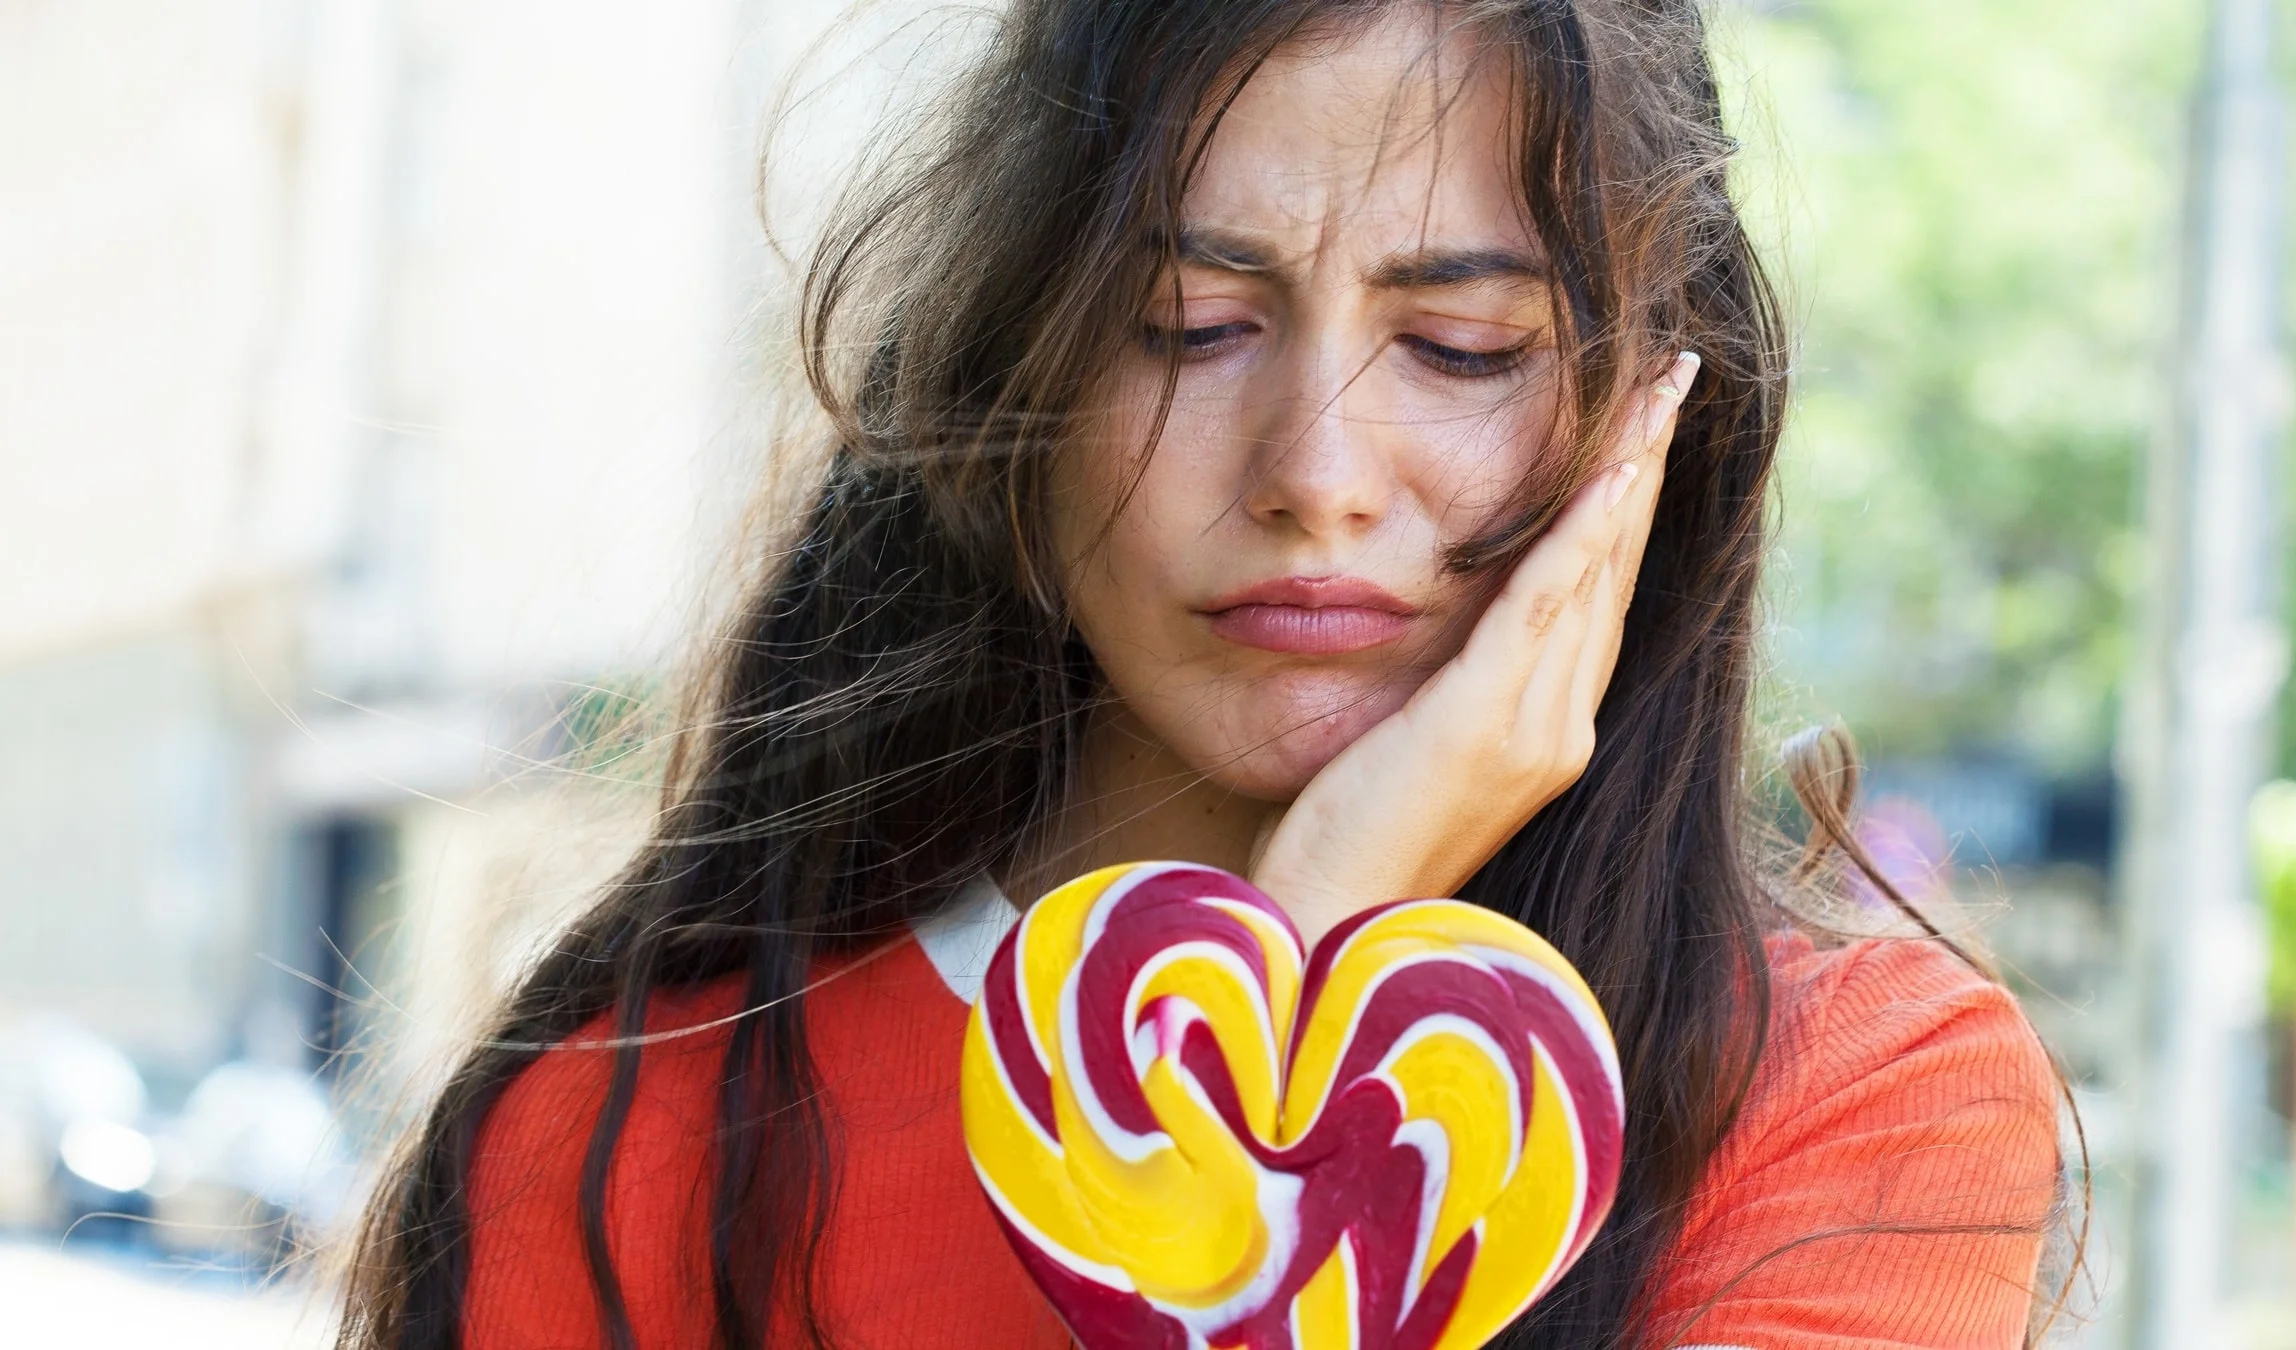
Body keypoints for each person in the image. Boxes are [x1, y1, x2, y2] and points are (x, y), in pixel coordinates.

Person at [339, 1, 2069, 1347]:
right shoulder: (635, 1142)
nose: (1316, 471)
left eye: (1462, 347)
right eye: (1191, 327)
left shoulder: (1850, 1100)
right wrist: (1283, 962)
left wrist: (1305, 993)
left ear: (1657, 417)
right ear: (1015, 382)